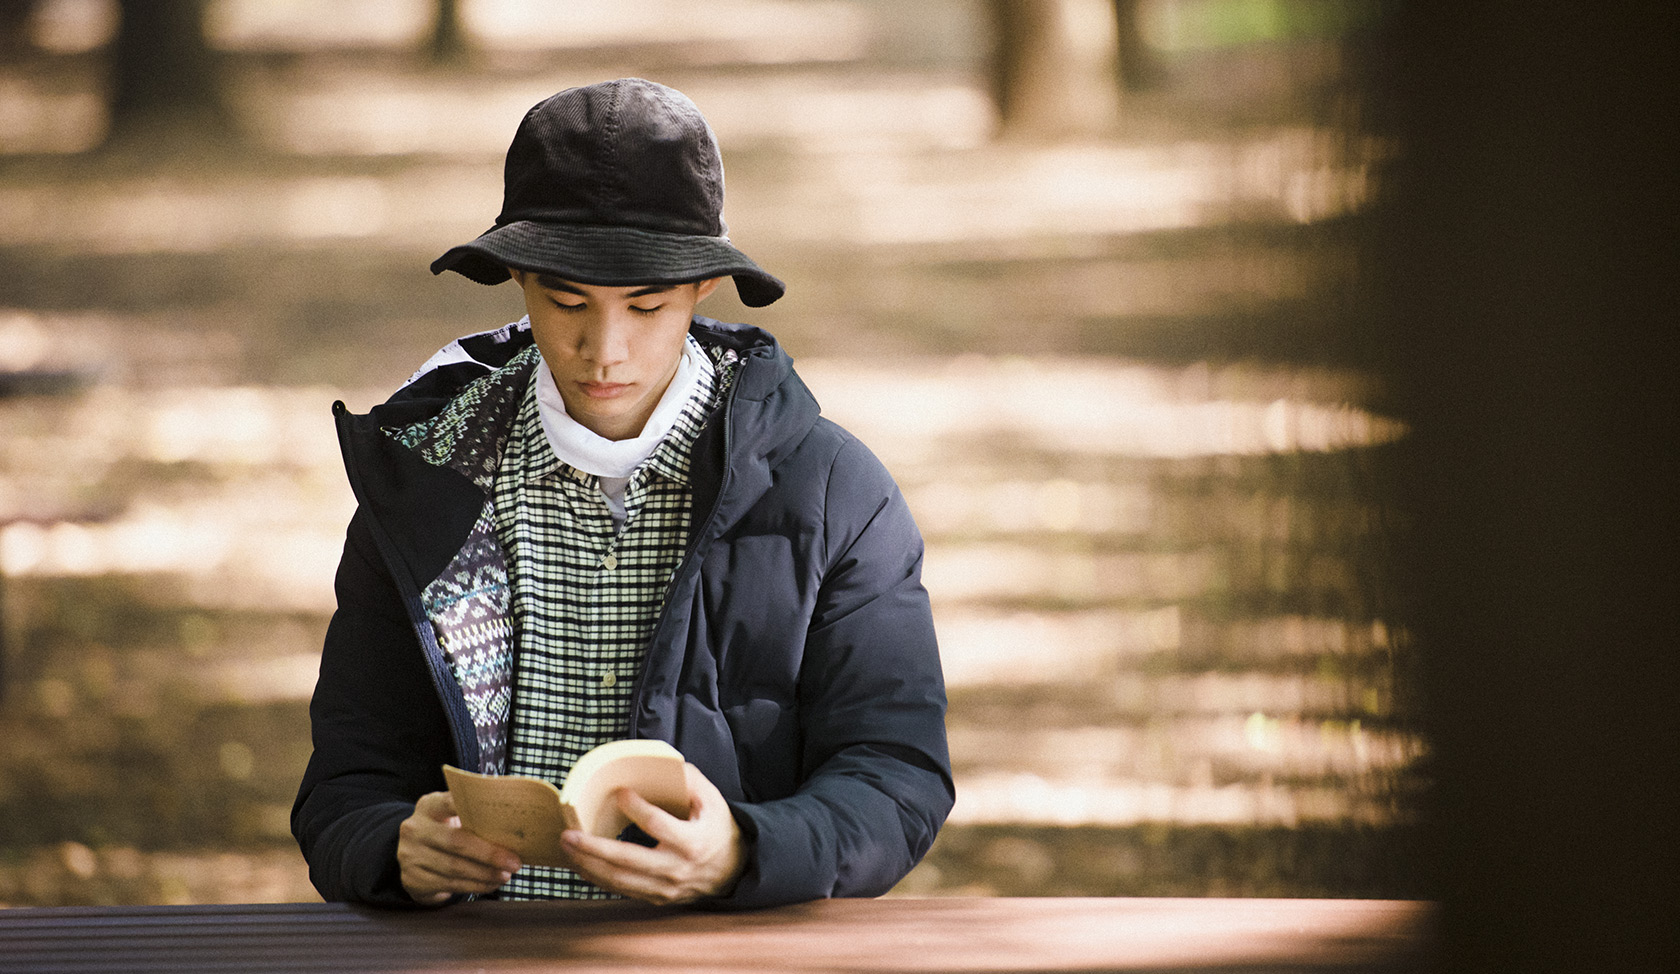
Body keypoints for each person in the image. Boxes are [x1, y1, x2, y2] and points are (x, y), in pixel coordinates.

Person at [291, 78, 952, 909]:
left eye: (646, 306)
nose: (605, 350)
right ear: (518, 280)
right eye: (566, 301)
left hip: (721, 963)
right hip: (480, 961)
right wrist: (394, 848)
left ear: (704, 290)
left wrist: (745, 850)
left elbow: (898, 774)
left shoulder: (834, 494)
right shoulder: (425, 484)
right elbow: (346, 783)